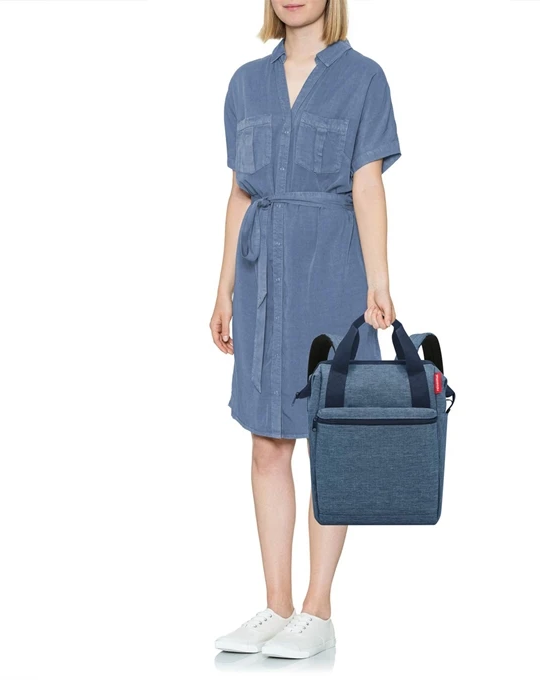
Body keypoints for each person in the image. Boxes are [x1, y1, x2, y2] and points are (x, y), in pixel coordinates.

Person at [210, 0, 401, 659]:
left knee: (331, 441)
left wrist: (379, 280)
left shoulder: (364, 78)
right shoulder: (245, 84)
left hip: (333, 272)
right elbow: (240, 192)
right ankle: (277, 604)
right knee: (267, 443)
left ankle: (319, 608)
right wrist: (224, 287)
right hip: (262, 278)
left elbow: (368, 185)